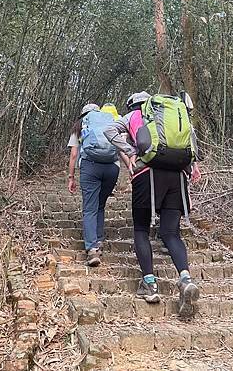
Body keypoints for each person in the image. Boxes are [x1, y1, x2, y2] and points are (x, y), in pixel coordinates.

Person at [103, 92, 202, 317]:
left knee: (140, 230)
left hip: (146, 174)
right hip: (176, 177)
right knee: (171, 233)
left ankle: (150, 283)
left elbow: (109, 131)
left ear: (132, 105)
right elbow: (192, 141)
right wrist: (192, 166)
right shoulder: (174, 116)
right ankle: (185, 279)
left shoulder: (132, 117)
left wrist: (132, 151)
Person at [67, 104, 120, 267]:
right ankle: (99, 241)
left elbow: (74, 154)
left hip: (90, 166)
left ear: (83, 114)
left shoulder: (80, 125)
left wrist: (71, 177)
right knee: (100, 206)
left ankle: (92, 249)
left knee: (90, 207)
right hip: (112, 167)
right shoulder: (110, 122)